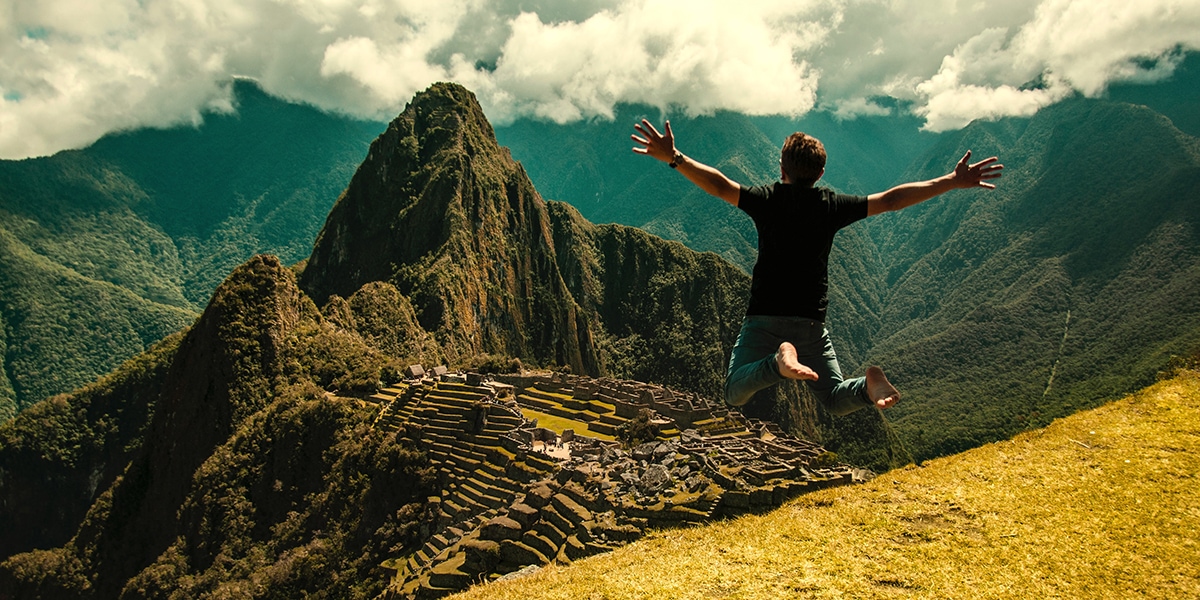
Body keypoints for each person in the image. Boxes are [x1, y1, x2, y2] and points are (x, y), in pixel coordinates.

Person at [631, 120, 1002, 416]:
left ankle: (778, 363)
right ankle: (867, 383)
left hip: (764, 319)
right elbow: (891, 200)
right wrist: (951, 181)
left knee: (733, 392)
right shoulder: (831, 206)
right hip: (811, 325)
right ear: (820, 173)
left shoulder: (766, 200)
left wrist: (674, 157)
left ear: (781, 167)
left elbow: (719, 185)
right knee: (835, 399)